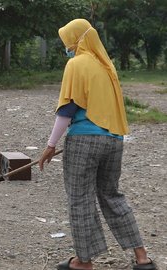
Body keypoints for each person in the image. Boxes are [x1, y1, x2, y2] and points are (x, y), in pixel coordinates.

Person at [38, 19, 156, 270]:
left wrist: (50, 145)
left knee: (80, 199)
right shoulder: (106, 66)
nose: (67, 46)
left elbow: (68, 108)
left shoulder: (76, 64)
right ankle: (142, 256)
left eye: (68, 40)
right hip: (114, 140)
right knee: (112, 195)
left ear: (77, 40)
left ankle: (84, 260)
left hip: (84, 140)